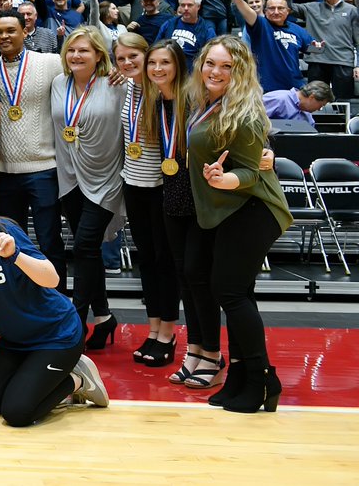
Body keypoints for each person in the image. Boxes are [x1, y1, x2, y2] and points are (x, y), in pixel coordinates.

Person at [0, 177, 109, 427]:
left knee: (17, 413)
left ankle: (78, 380)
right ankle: (36, 379)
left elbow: (52, 278)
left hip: (55, 335)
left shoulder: (2, 232)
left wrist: (14, 255)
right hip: (15, 341)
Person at [186, 36, 292, 412]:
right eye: (211, 63)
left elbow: (249, 172)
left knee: (228, 292)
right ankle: (243, 373)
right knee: (238, 293)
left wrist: (222, 178)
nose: (215, 71)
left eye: (226, 66)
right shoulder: (206, 102)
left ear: (240, 71)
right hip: (228, 209)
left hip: (254, 206)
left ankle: (262, 378)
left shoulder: (243, 112)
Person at [51, 26, 126, 348]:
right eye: (71, 50)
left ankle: (75, 323)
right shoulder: (58, 84)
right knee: (89, 251)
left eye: (84, 50)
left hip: (106, 178)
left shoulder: (117, 85)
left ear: (99, 55)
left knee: (83, 247)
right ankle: (105, 317)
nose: (76, 56)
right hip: (69, 177)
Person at [0, 9, 68, 285]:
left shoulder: (51, 62)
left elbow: (87, 66)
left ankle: (58, 303)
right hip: (5, 172)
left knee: (49, 240)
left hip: (44, 169)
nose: (4, 36)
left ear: (25, 31)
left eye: (10, 30)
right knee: (11, 244)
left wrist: (113, 73)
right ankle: (21, 305)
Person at [115, 33, 178, 366]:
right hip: (133, 184)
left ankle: (168, 332)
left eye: (134, 57)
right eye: (121, 58)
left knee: (165, 262)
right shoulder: (124, 87)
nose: (127, 63)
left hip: (162, 187)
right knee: (147, 261)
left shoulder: (165, 91)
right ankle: (153, 329)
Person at [229, 0, 316, 93]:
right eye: (271, 8)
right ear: (265, 10)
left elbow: (310, 49)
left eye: (280, 8)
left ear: (288, 11)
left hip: (293, 87)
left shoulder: (297, 30)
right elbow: (246, 11)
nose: (276, 12)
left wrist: (318, 47)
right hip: (266, 88)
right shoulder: (261, 24)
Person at [289, 0, 359, 100]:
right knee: (314, 100)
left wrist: (358, 65)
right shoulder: (311, 8)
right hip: (317, 60)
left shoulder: (352, 10)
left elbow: (358, 40)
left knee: (343, 101)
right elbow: (287, 7)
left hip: (343, 61)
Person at [262, 81, 334, 126]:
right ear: (312, 97)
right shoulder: (279, 99)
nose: (319, 109)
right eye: (321, 105)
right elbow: (254, 121)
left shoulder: (308, 118)